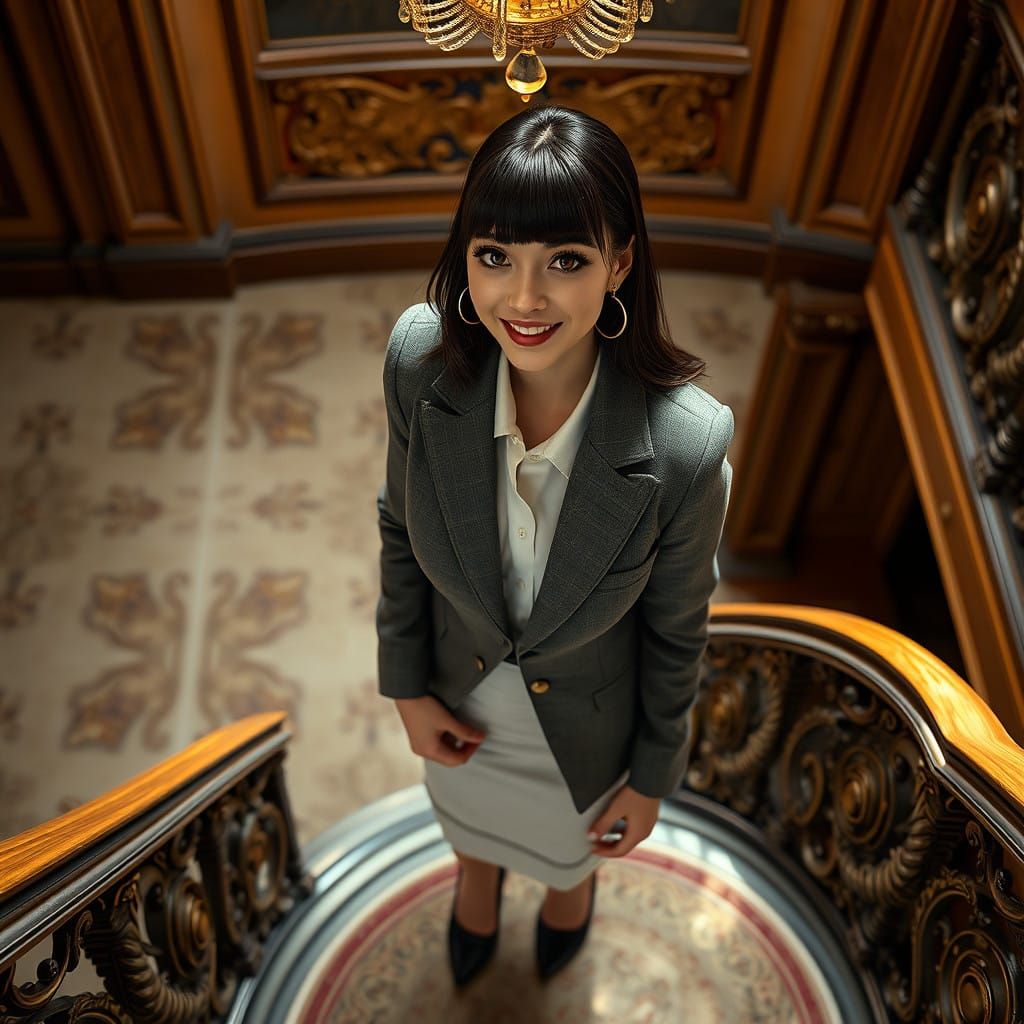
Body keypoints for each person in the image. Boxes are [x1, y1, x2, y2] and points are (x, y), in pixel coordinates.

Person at [376, 104, 734, 986]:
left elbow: (677, 632)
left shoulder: (686, 448)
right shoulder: (420, 364)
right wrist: (406, 686)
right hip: (460, 698)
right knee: (468, 829)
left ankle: (571, 894)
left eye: (566, 260)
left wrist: (651, 778)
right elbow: (398, 528)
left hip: (588, 731)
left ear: (620, 264)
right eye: (494, 256)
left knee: (573, 855)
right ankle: (477, 881)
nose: (524, 299)